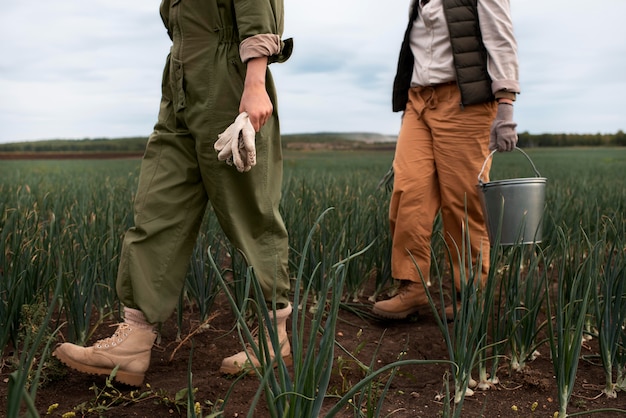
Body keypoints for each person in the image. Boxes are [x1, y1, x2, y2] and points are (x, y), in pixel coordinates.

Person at [53, 0, 293, 386]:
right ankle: (134, 339)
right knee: (157, 205)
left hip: (229, 77)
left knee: (249, 212)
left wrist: (254, 83)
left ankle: (272, 336)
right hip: (180, 79)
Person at [372, 0, 520, 320]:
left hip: (465, 103)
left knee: (462, 201)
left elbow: (500, 37)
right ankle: (412, 286)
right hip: (419, 100)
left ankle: (471, 295)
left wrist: (506, 102)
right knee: (408, 191)